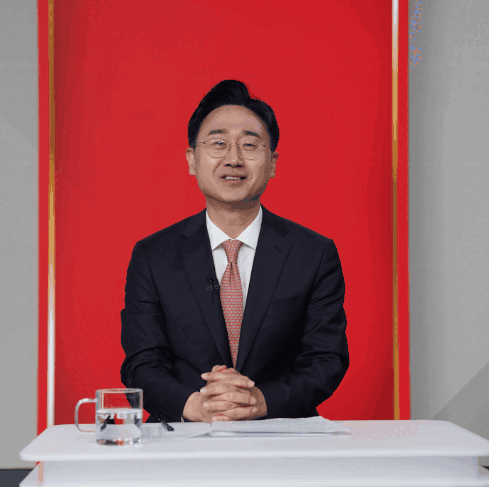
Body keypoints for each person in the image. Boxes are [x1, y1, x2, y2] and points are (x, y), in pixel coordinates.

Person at [120, 80, 349, 422]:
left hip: (283, 431)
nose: (234, 158)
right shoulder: (153, 256)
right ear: (192, 160)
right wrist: (197, 406)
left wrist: (260, 402)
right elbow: (141, 363)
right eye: (218, 143)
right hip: (182, 434)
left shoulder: (313, 254)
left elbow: (326, 359)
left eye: (249, 145)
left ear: (272, 163)